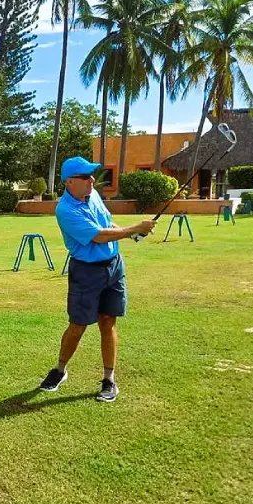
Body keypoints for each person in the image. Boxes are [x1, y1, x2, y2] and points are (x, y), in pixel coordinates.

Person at [39, 156, 157, 402]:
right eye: (85, 177)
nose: (92, 180)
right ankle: (60, 370)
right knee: (78, 325)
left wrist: (131, 235)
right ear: (70, 182)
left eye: (92, 175)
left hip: (114, 267)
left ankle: (109, 379)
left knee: (108, 322)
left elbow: (106, 222)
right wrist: (133, 229)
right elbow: (98, 235)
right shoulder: (65, 210)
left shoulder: (92, 195)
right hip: (86, 272)